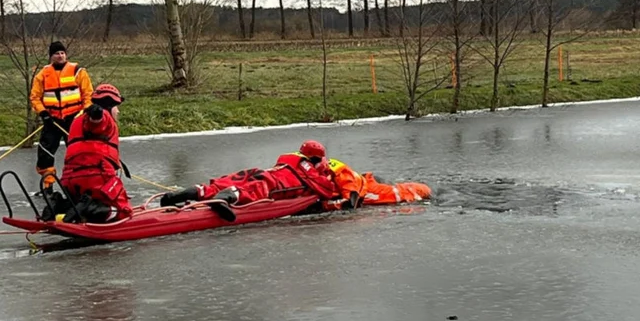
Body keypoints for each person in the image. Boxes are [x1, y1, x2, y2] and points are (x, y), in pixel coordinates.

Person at [159, 140, 339, 221]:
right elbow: (326, 190)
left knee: (226, 182)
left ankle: (178, 195)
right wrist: (330, 176)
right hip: (278, 183)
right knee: (255, 190)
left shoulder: (287, 158)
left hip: (263, 171)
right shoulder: (312, 172)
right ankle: (224, 199)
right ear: (316, 160)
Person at [46, 83, 131, 224]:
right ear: (109, 106)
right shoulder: (102, 117)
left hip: (69, 179)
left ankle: (60, 206)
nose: (118, 112)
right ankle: (90, 209)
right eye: (116, 107)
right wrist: (97, 114)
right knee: (122, 212)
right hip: (96, 176)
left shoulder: (76, 121)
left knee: (83, 203)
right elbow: (96, 123)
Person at [29, 41, 94, 193]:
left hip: (74, 119)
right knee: (45, 153)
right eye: (57, 53)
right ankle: (47, 186)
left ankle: (81, 185)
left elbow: (88, 94)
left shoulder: (77, 71)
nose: (60, 56)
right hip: (52, 120)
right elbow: (35, 97)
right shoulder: (43, 75)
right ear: (51, 56)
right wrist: (43, 113)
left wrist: (84, 113)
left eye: (62, 53)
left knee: (79, 153)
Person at [322, 155, 433, 209]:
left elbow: (351, 198)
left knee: (395, 194)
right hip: (364, 185)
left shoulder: (338, 173)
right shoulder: (325, 171)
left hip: (368, 189)